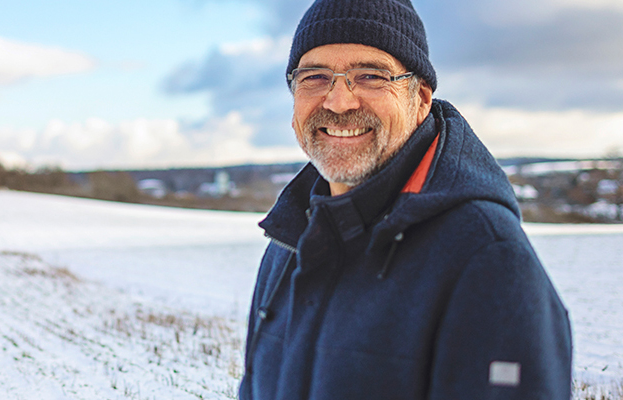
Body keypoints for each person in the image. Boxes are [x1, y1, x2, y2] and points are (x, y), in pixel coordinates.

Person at [239, 0, 573, 399]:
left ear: (421, 101)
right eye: (315, 76)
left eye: (370, 76)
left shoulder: (486, 258)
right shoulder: (291, 239)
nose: (339, 100)